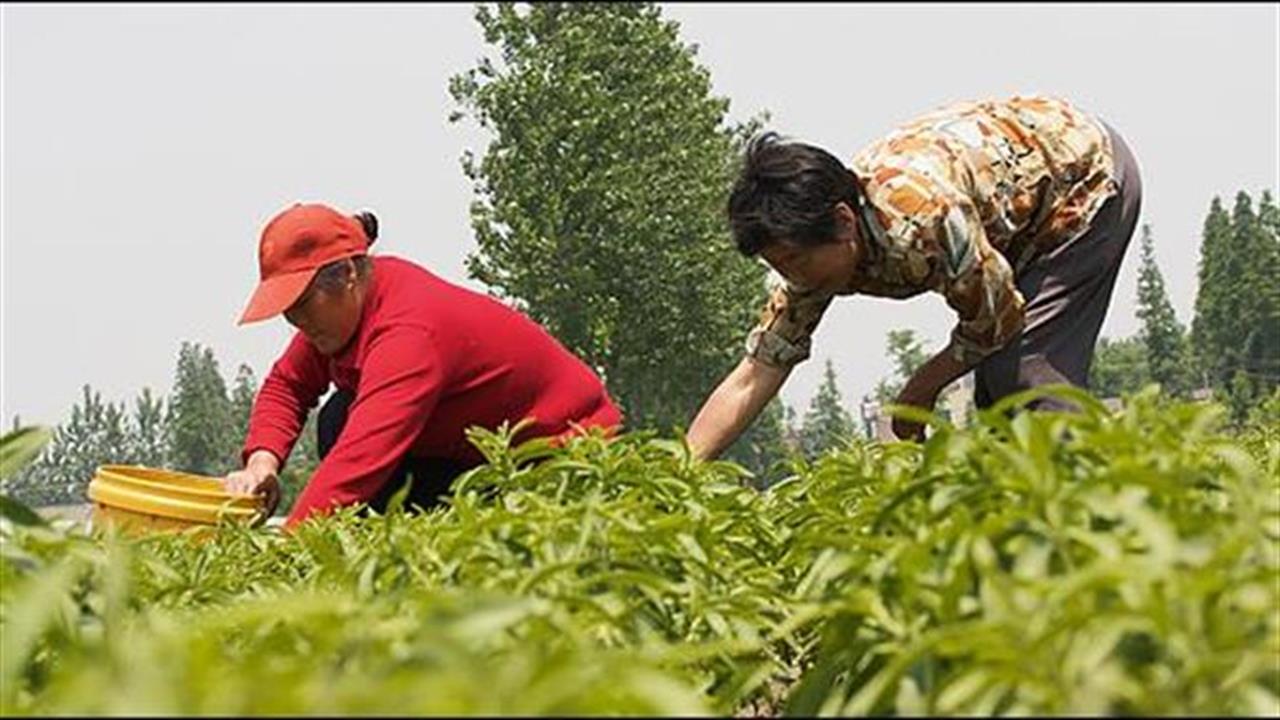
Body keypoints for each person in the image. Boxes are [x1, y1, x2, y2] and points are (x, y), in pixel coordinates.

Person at [686, 94, 1142, 457]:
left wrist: (921, 387)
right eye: (778, 266)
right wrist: (680, 477)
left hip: (1083, 178)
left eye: (795, 261)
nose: (792, 278)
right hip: (1014, 207)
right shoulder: (809, 260)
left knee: (1023, 373)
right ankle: (1026, 535)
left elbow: (997, 318)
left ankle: (1104, 519)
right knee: (999, 400)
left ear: (845, 223)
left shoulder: (920, 218)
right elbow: (755, 372)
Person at [223, 203, 622, 526]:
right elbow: (287, 385)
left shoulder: (409, 331)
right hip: (468, 454)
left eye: (303, 304)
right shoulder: (338, 317)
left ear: (346, 274)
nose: (297, 321)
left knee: (346, 429)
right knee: (338, 417)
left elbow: (360, 459)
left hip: (558, 459)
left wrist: (287, 556)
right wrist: (262, 463)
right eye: (287, 311)